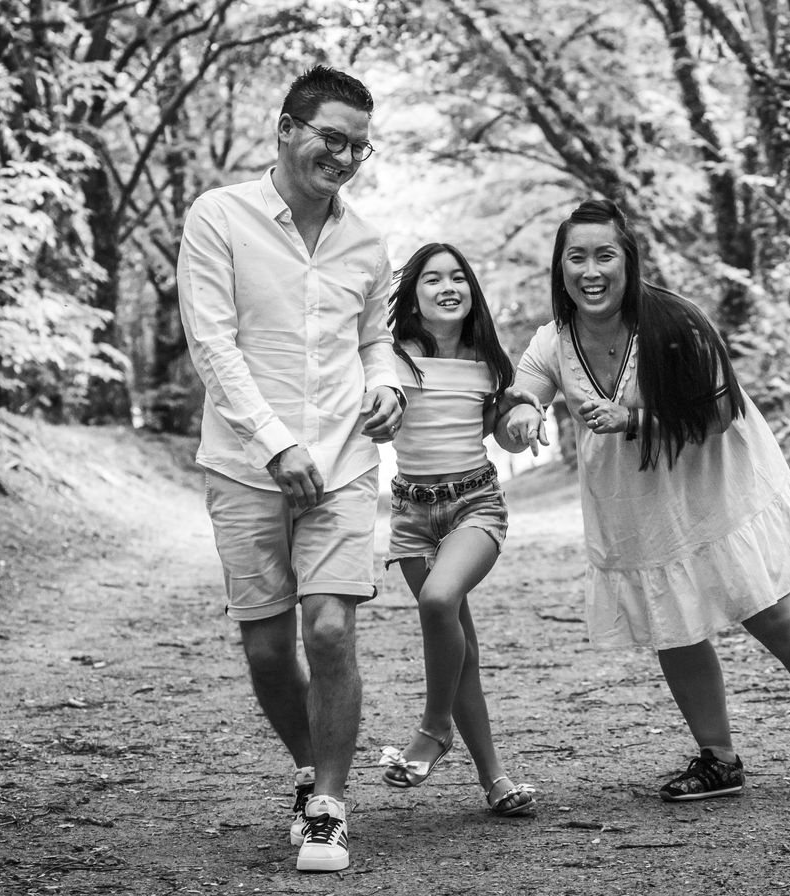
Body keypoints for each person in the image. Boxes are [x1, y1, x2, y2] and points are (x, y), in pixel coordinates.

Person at [501, 199, 790, 802]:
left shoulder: (676, 323)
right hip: (639, 511)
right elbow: (526, 391)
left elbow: (722, 409)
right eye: (577, 258)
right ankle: (719, 760)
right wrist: (520, 415)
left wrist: (631, 418)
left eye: (604, 255)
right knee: (674, 629)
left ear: (628, 260)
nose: (590, 271)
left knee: (768, 609)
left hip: (716, 495)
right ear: (560, 267)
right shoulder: (554, 339)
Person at [176, 65, 404, 873]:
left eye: (357, 147)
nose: (343, 157)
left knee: (332, 627)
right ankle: (312, 774)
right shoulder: (219, 216)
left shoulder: (369, 242)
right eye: (330, 138)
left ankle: (332, 808)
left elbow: (375, 337)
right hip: (245, 465)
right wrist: (276, 442)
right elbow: (213, 343)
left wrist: (386, 385)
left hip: (343, 460)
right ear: (286, 128)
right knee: (270, 649)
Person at [376, 243, 537, 818]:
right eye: (432, 279)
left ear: (471, 291)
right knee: (458, 646)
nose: (448, 286)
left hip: (474, 504)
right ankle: (496, 781)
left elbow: (503, 423)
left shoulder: (489, 360)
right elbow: (373, 412)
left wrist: (521, 416)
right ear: (413, 296)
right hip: (412, 514)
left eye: (458, 278)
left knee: (440, 601)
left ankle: (434, 727)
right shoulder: (390, 358)